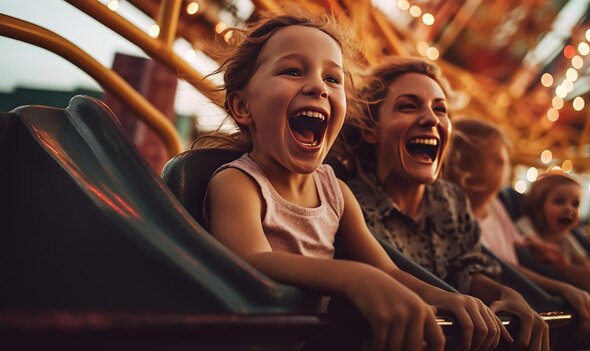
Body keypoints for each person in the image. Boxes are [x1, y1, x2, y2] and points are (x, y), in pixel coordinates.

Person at [199, 13, 519, 351]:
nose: (318, 87)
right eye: (293, 71)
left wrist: (448, 299)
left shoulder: (335, 192)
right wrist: (353, 277)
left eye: (333, 78)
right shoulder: (239, 182)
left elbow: (390, 272)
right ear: (242, 106)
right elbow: (251, 260)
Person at [338, 56, 549, 350]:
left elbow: (465, 269)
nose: (431, 119)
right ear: (371, 130)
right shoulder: (346, 202)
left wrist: (505, 294)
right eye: (408, 106)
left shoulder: (450, 200)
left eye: (440, 109)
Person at [444, 118, 590, 341]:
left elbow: (519, 244)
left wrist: (544, 250)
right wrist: (562, 286)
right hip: (501, 306)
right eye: (499, 162)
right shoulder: (455, 213)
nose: (506, 168)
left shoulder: (495, 205)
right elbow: (495, 263)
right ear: (467, 170)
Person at [517, 171, 590, 344]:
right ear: (538, 205)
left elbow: (587, 265)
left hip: (570, 279)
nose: (569, 208)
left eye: (575, 204)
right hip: (543, 284)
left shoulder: (567, 238)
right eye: (559, 202)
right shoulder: (526, 225)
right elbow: (525, 244)